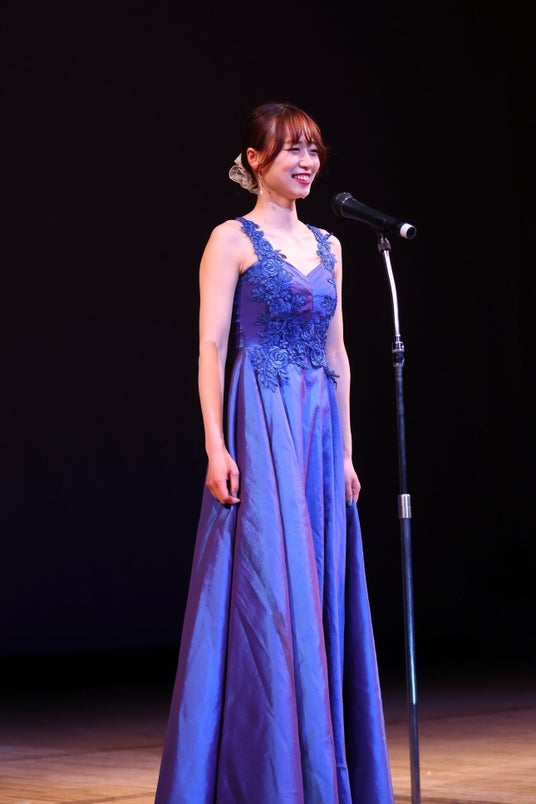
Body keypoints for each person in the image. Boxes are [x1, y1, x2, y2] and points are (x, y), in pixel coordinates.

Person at [154, 101, 394, 803]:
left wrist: (346, 452)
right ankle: (270, 771)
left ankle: (322, 766)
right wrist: (215, 442)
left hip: (316, 428)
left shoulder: (331, 245)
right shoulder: (231, 239)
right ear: (255, 160)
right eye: (291, 149)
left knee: (317, 588)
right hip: (260, 419)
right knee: (271, 589)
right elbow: (211, 346)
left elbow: (338, 355)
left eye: (313, 149)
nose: (306, 161)